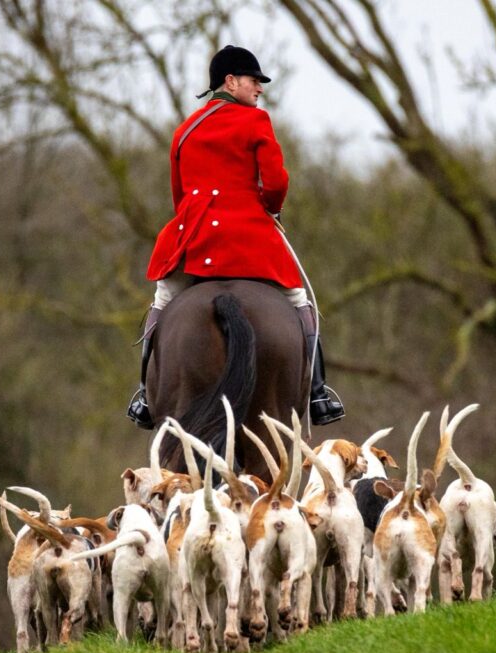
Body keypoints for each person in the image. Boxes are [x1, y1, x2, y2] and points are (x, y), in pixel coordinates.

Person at [126, 45, 345, 429]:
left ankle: (145, 394)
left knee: (163, 300)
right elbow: (276, 181)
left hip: (194, 238)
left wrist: (194, 222)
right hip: (249, 236)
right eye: (253, 80)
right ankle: (318, 393)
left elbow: (180, 195)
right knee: (299, 301)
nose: (259, 88)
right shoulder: (255, 122)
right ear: (230, 81)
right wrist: (270, 209)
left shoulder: (185, 129)